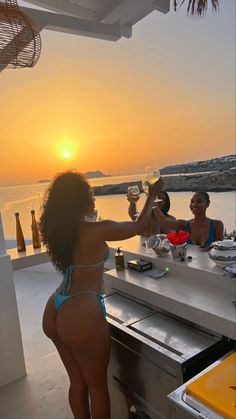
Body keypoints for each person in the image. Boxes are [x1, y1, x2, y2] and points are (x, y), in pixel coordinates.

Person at [40, 171, 163, 419]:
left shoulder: (62, 233)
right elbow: (140, 226)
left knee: (78, 383)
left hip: (55, 307)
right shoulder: (96, 229)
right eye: (90, 193)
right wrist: (152, 195)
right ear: (80, 200)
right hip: (81, 311)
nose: (93, 197)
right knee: (97, 388)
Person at [153, 191, 224, 247]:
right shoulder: (185, 225)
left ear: (208, 204)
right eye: (192, 201)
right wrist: (154, 203)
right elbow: (164, 223)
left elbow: (220, 250)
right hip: (189, 265)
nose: (194, 205)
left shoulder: (217, 225)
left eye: (199, 201)